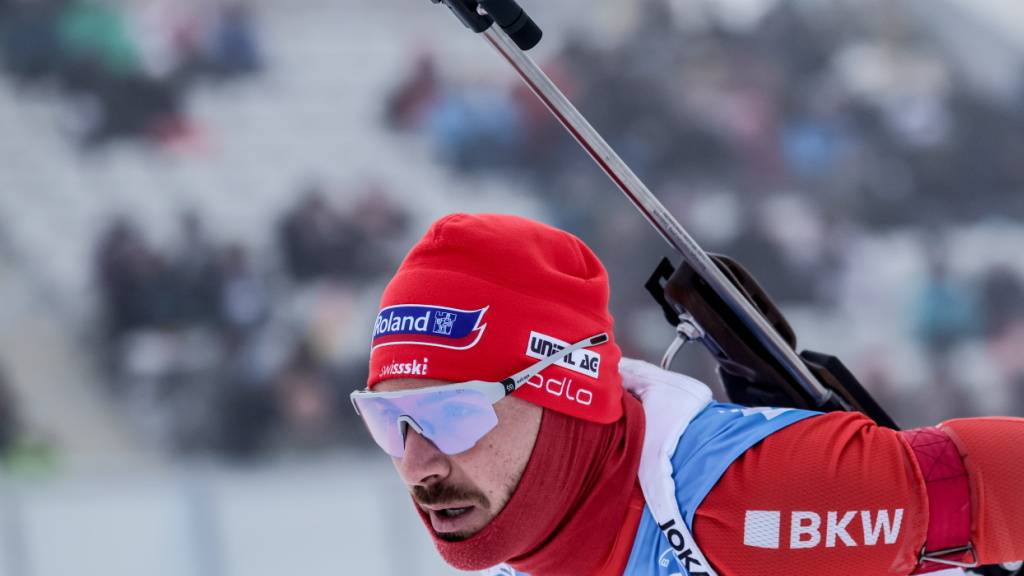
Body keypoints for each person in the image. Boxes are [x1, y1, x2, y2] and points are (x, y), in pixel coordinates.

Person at [350, 213, 1024, 576]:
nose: (416, 465)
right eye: (388, 420)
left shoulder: (746, 496)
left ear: (562, 389)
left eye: (450, 413)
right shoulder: (517, 548)